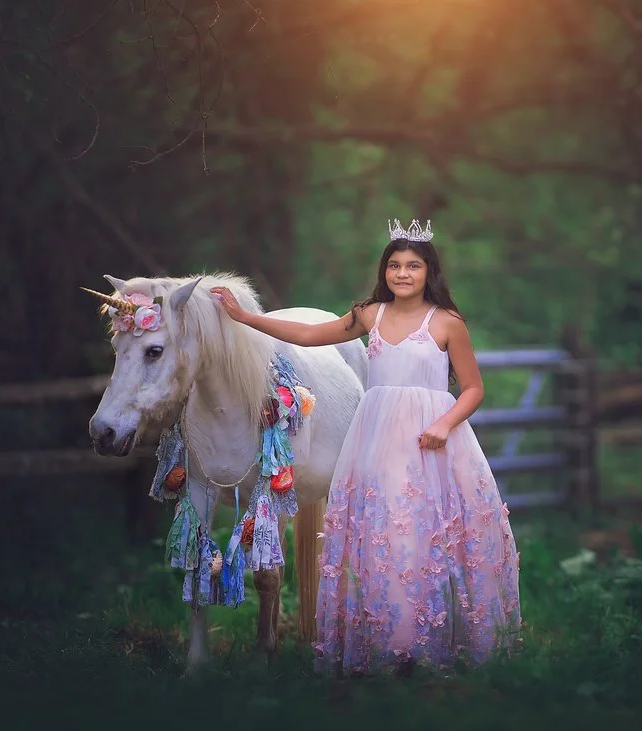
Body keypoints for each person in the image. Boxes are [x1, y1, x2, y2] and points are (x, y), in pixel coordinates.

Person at [211, 219, 521, 676]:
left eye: (413, 266)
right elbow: (309, 335)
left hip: (430, 438)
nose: (402, 274)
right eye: (394, 265)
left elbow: (473, 388)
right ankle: (394, 644)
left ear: (428, 271)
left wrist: (444, 423)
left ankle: (434, 641)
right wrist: (246, 318)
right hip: (377, 438)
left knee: (428, 535)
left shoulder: (447, 323)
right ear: (385, 271)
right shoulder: (369, 315)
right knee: (386, 533)